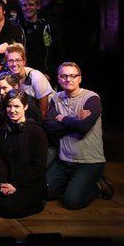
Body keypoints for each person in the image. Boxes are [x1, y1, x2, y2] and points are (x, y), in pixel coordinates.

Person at [44, 62, 108, 209]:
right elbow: (50, 126)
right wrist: (75, 119)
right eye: (64, 76)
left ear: (80, 78)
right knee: (44, 192)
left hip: (88, 162)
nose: (68, 79)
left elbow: (83, 127)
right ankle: (75, 185)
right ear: (58, 79)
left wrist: (63, 118)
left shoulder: (91, 98)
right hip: (63, 161)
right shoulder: (56, 98)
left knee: (71, 202)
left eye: (73, 76)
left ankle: (97, 185)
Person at [0, 90, 48, 218]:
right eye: (9, 106)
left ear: (25, 106)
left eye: (17, 106)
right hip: (8, 180)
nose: (12, 110)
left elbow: (38, 167)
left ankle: (37, 202)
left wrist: (16, 185)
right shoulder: (3, 130)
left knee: (9, 210)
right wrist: (3, 182)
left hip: (28, 181)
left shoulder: (37, 132)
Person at [4, 43, 53, 120]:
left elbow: (44, 111)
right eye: (10, 61)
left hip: (48, 117)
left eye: (18, 60)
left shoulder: (35, 76)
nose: (14, 64)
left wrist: (40, 126)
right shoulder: (11, 78)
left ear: (24, 61)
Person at [18, 0, 58, 74]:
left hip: (44, 72)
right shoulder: (17, 27)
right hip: (22, 71)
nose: (28, 7)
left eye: (31, 4)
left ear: (38, 6)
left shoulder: (47, 26)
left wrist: (50, 74)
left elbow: (55, 52)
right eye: (24, 5)